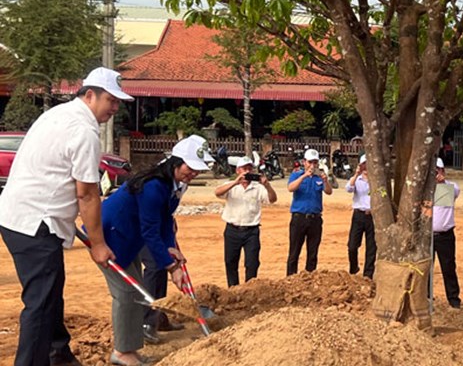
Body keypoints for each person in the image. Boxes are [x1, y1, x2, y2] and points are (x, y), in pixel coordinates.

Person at [0, 67, 131, 366]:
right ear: (89, 95)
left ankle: (58, 354)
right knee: (41, 303)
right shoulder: (83, 131)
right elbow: (87, 193)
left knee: (50, 292)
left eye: (117, 102)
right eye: (110, 100)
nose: (114, 107)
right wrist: (98, 244)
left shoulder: (59, 115)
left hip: (19, 216)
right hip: (35, 223)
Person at [97, 135, 212, 366]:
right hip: (111, 236)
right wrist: (171, 267)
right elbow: (150, 230)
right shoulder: (154, 186)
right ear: (176, 162)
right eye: (191, 167)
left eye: (198, 169)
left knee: (135, 294)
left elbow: (164, 219)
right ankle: (121, 352)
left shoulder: (175, 183)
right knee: (126, 294)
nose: (194, 173)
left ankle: (129, 350)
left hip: (131, 238)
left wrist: (169, 247)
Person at [215, 156, 278, 287]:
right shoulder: (230, 185)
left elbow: (272, 199)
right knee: (231, 262)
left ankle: (249, 289)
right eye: (244, 168)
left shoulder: (258, 187)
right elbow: (217, 193)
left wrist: (267, 185)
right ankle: (233, 289)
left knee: (252, 263)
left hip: (251, 230)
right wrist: (235, 182)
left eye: (250, 168)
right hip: (233, 229)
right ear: (238, 170)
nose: (247, 171)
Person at [286, 148, 333, 276]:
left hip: (315, 219)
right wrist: (304, 176)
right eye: (310, 162)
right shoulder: (297, 175)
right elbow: (290, 188)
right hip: (299, 218)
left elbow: (329, 191)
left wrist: (325, 180)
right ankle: (290, 277)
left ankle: (310, 277)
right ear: (304, 162)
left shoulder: (319, 177)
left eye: (315, 162)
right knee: (294, 251)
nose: (312, 165)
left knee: (313, 252)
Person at [432, 157, 462, 309]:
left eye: (438, 170)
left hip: (445, 235)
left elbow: (455, 192)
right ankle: (426, 298)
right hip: (428, 236)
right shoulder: (425, 188)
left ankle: (454, 300)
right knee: (425, 269)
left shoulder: (450, 187)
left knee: (448, 267)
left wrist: (442, 183)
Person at [345, 154, 376, 279]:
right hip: (358, 214)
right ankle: (354, 267)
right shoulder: (357, 180)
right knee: (352, 245)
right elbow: (348, 188)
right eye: (364, 164)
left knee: (371, 247)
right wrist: (356, 174)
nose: (366, 167)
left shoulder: (376, 181)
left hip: (372, 215)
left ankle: (368, 274)